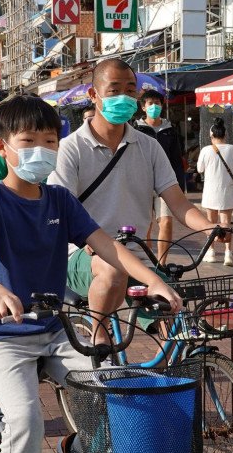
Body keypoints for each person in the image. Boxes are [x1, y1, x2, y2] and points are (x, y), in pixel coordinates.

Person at [0, 94, 181, 453]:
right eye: (28, 141)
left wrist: (155, 281)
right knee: (26, 420)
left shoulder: (60, 201)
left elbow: (108, 248)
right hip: (1, 335)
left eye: (50, 142)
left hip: (56, 331)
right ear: (1, 146)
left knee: (119, 399)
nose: (41, 152)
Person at [48, 58, 219, 346]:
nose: (124, 97)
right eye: (114, 90)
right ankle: (99, 337)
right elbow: (62, 209)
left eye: (130, 89)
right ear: (94, 94)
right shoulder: (70, 148)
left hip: (138, 257)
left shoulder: (149, 146)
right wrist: (87, 240)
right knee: (111, 267)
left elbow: (178, 202)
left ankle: (170, 374)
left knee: (174, 312)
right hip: (82, 256)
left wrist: (209, 228)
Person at [135, 90, 186, 266]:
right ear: (143, 107)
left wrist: (180, 185)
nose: (154, 107)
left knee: (166, 222)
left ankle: (162, 265)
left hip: (166, 183)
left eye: (157, 103)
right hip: (142, 183)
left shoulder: (170, 130)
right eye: (150, 103)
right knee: (145, 226)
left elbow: (177, 159)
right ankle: (148, 263)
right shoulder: (136, 129)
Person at [197, 117, 233, 266]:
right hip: (227, 191)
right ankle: (228, 254)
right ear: (225, 135)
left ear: (211, 136)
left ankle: (211, 252)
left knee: (210, 223)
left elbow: (199, 169)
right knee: (226, 223)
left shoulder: (205, 150)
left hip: (210, 191)